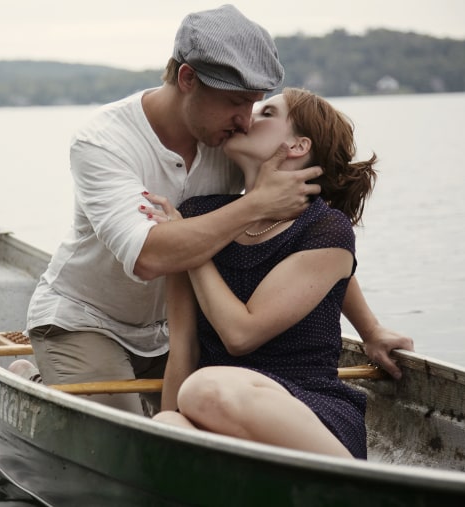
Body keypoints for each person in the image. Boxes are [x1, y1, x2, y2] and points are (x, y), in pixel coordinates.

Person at [24, 5, 409, 416]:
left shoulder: (231, 142)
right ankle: (32, 378)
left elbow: (312, 244)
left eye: (257, 104)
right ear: (188, 79)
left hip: (178, 331)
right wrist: (256, 203)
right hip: (88, 320)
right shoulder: (103, 143)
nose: (245, 121)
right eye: (236, 102)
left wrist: (369, 329)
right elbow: (151, 255)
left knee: (194, 419)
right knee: (117, 431)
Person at [147, 88, 415, 459]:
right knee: (165, 425)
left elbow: (240, 335)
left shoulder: (324, 230)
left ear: (297, 145)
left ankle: (366, 488)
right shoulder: (195, 215)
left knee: (203, 389)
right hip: (217, 410)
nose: (247, 116)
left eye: (267, 112)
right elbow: (184, 347)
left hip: (307, 411)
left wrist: (193, 252)